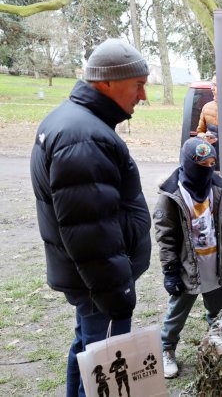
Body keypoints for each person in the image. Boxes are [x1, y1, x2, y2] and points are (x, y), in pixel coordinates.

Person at [30, 38, 151, 397]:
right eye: (138, 85)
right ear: (107, 82)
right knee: (105, 369)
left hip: (90, 280)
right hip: (101, 283)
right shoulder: (83, 137)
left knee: (87, 350)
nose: (143, 96)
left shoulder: (73, 121)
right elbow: (90, 232)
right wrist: (118, 294)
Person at [154, 137, 222, 379]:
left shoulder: (217, 190)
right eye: (201, 164)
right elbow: (166, 236)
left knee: (218, 310)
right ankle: (166, 349)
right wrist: (170, 270)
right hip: (187, 268)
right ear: (188, 164)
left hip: (215, 264)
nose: (207, 169)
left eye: (211, 164)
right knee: (177, 313)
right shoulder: (172, 195)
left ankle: (218, 346)